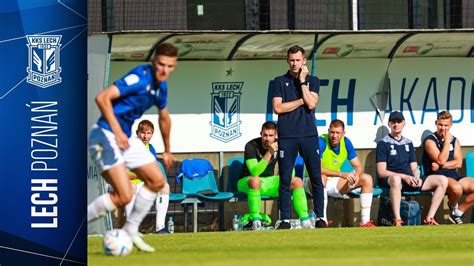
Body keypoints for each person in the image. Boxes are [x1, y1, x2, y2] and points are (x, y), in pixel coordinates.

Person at [87, 43, 177, 252]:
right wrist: (117, 131)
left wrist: (167, 149)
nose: (165, 70)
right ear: (154, 61)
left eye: (170, 66)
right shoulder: (139, 76)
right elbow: (102, 98)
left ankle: (131, 230)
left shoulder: (161, 87)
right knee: (124, 195)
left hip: (124, 138)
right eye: (162, 64)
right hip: (104, 136)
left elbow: (164, 118)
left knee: (157, 181)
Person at [272, 45, 324, 229]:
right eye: (292, 60)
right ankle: (285, 219)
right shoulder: (279, 81)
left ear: (304, 61)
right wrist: (302, 100)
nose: (295, 63)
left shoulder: (313, 80)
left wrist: (302, 82)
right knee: (285, 179)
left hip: (309, 135)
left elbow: (311, 105)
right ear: (288, 61)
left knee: (316, 177)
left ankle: (320, 218)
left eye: (298, 60)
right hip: (287, 136)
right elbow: (278, 108)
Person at [376, 111, 448, 226]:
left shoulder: (408, 143)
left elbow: (414, 167)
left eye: (398, 122)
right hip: (391, 180)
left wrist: (417, 177)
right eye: (393, 122)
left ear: (403, 123)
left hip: (409, 180)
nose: (396, 125)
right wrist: (404, 177)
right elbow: (381, 172)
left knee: (443, 180)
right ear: (389, 124)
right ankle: (398, 219)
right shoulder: (383, 143)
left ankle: (429, 218)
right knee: (396, 179)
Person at [238, 121, 313, 230]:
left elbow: (290, 172)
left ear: (276, 136)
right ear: (261, 134)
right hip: (247, 182)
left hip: (269, 182)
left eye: (271, 135)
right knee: (255, 180)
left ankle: (305, 220)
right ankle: (256, 221)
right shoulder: (251, 146)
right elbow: (255, 172)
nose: (267, 138)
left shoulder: (281, 144)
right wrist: (269, 153)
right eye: (265, 135)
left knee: (296, 181)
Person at [306, 119, 376, 227]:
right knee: (321, 178)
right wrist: (342, 174)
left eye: (338, 133)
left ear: (343, 133)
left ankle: (365, 222)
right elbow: (316, 169)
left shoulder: (346, 142)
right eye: (332, 132)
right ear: (328, 131)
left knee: (367, 179)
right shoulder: (321, 142)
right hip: (313, 181)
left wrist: (356, 176)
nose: (334, 136)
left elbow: (357, 166)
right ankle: (322, 220)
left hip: (334, 182)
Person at [422, 110, 474, 224]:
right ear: (436, 123)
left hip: (453, 175)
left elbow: (458, 163)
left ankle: (457, 213)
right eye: (440, 125)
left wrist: (441, 165)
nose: (443, 128)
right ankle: (453, 206)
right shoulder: (430, 141)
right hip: (437, 177)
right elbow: (441, 159)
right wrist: (446, 143)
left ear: (451, 125)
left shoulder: (455, 140)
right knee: (457, 188)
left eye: (446, 125)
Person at [124, 120, 171, 234]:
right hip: (130, 184)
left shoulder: (151, 149)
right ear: (137, 133)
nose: (145, 136)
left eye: (148, 133)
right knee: (132, 187)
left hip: (144, 184)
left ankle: (160, 227)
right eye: (143, 132)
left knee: (165, 187)